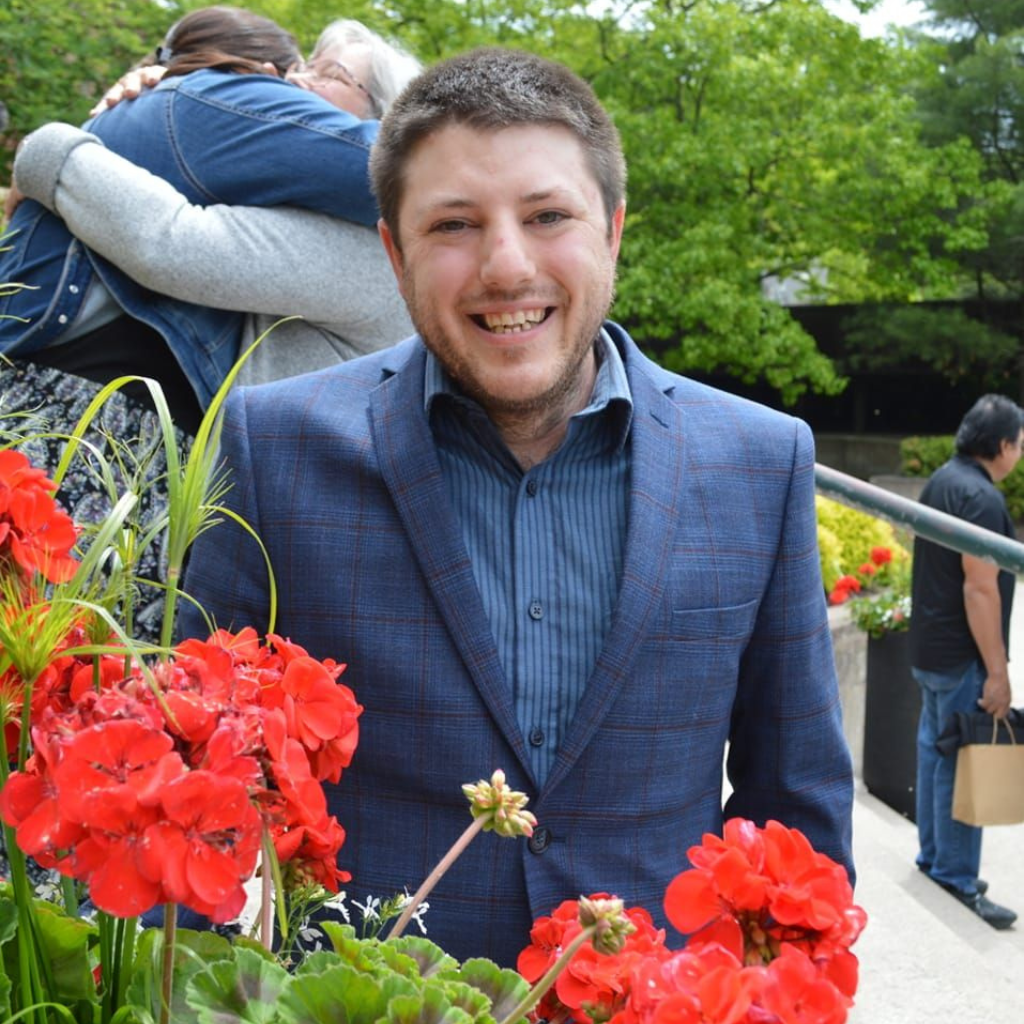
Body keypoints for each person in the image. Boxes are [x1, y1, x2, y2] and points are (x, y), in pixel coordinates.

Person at [177, 47, 855, 967]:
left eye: (547, 216)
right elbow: (187, 782)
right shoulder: (271, 447)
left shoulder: (761, 462)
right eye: (454, 224)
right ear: (394, 250)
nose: (506, 264)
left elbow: (797, 808)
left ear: (612, 230)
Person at [7, 18, 419, 388]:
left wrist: (48, 148)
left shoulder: (375, 253)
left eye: (331, 74)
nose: (294, 80)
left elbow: (171, 242)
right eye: (305, 65)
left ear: (381, 116)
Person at [910, 394, 1023, 930]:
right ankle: (955, 876)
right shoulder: (980, 498)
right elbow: (981, 589)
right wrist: (998, 673)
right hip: (961, 655)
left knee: (936, 755)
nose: (1019, 454)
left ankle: (935, 861)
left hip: (930, 649)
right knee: (961, 763)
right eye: (1019, 445)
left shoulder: (942, 480)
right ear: (1002, 446)